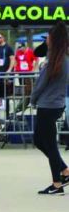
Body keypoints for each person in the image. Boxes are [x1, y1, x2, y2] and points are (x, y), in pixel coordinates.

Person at [30, 22, 69, 195]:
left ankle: (57, 184)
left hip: (47, 105)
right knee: (40, 140)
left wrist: (32, 99)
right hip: (56, 104)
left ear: (53, 39)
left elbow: (41, 83)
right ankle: (65, 171)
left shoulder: (54, 60)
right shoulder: (63, 58)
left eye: (48, 37)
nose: (46, 40)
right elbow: (37, 51)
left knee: (50, 145)